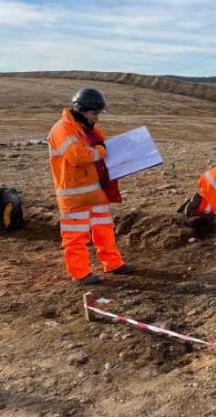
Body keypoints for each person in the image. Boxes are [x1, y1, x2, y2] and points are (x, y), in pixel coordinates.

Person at [47, 88, 131, 285]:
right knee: (76, 236)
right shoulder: (63, 129)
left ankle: (113, 263)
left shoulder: (88, 128)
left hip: (95, 192)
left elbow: (101, 144)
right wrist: (101, 151)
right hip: (74, 196)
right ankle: (80, 273)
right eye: (94, 114)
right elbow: (78, 156)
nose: (97, 118)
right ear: (81, 110)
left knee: (104, 228)